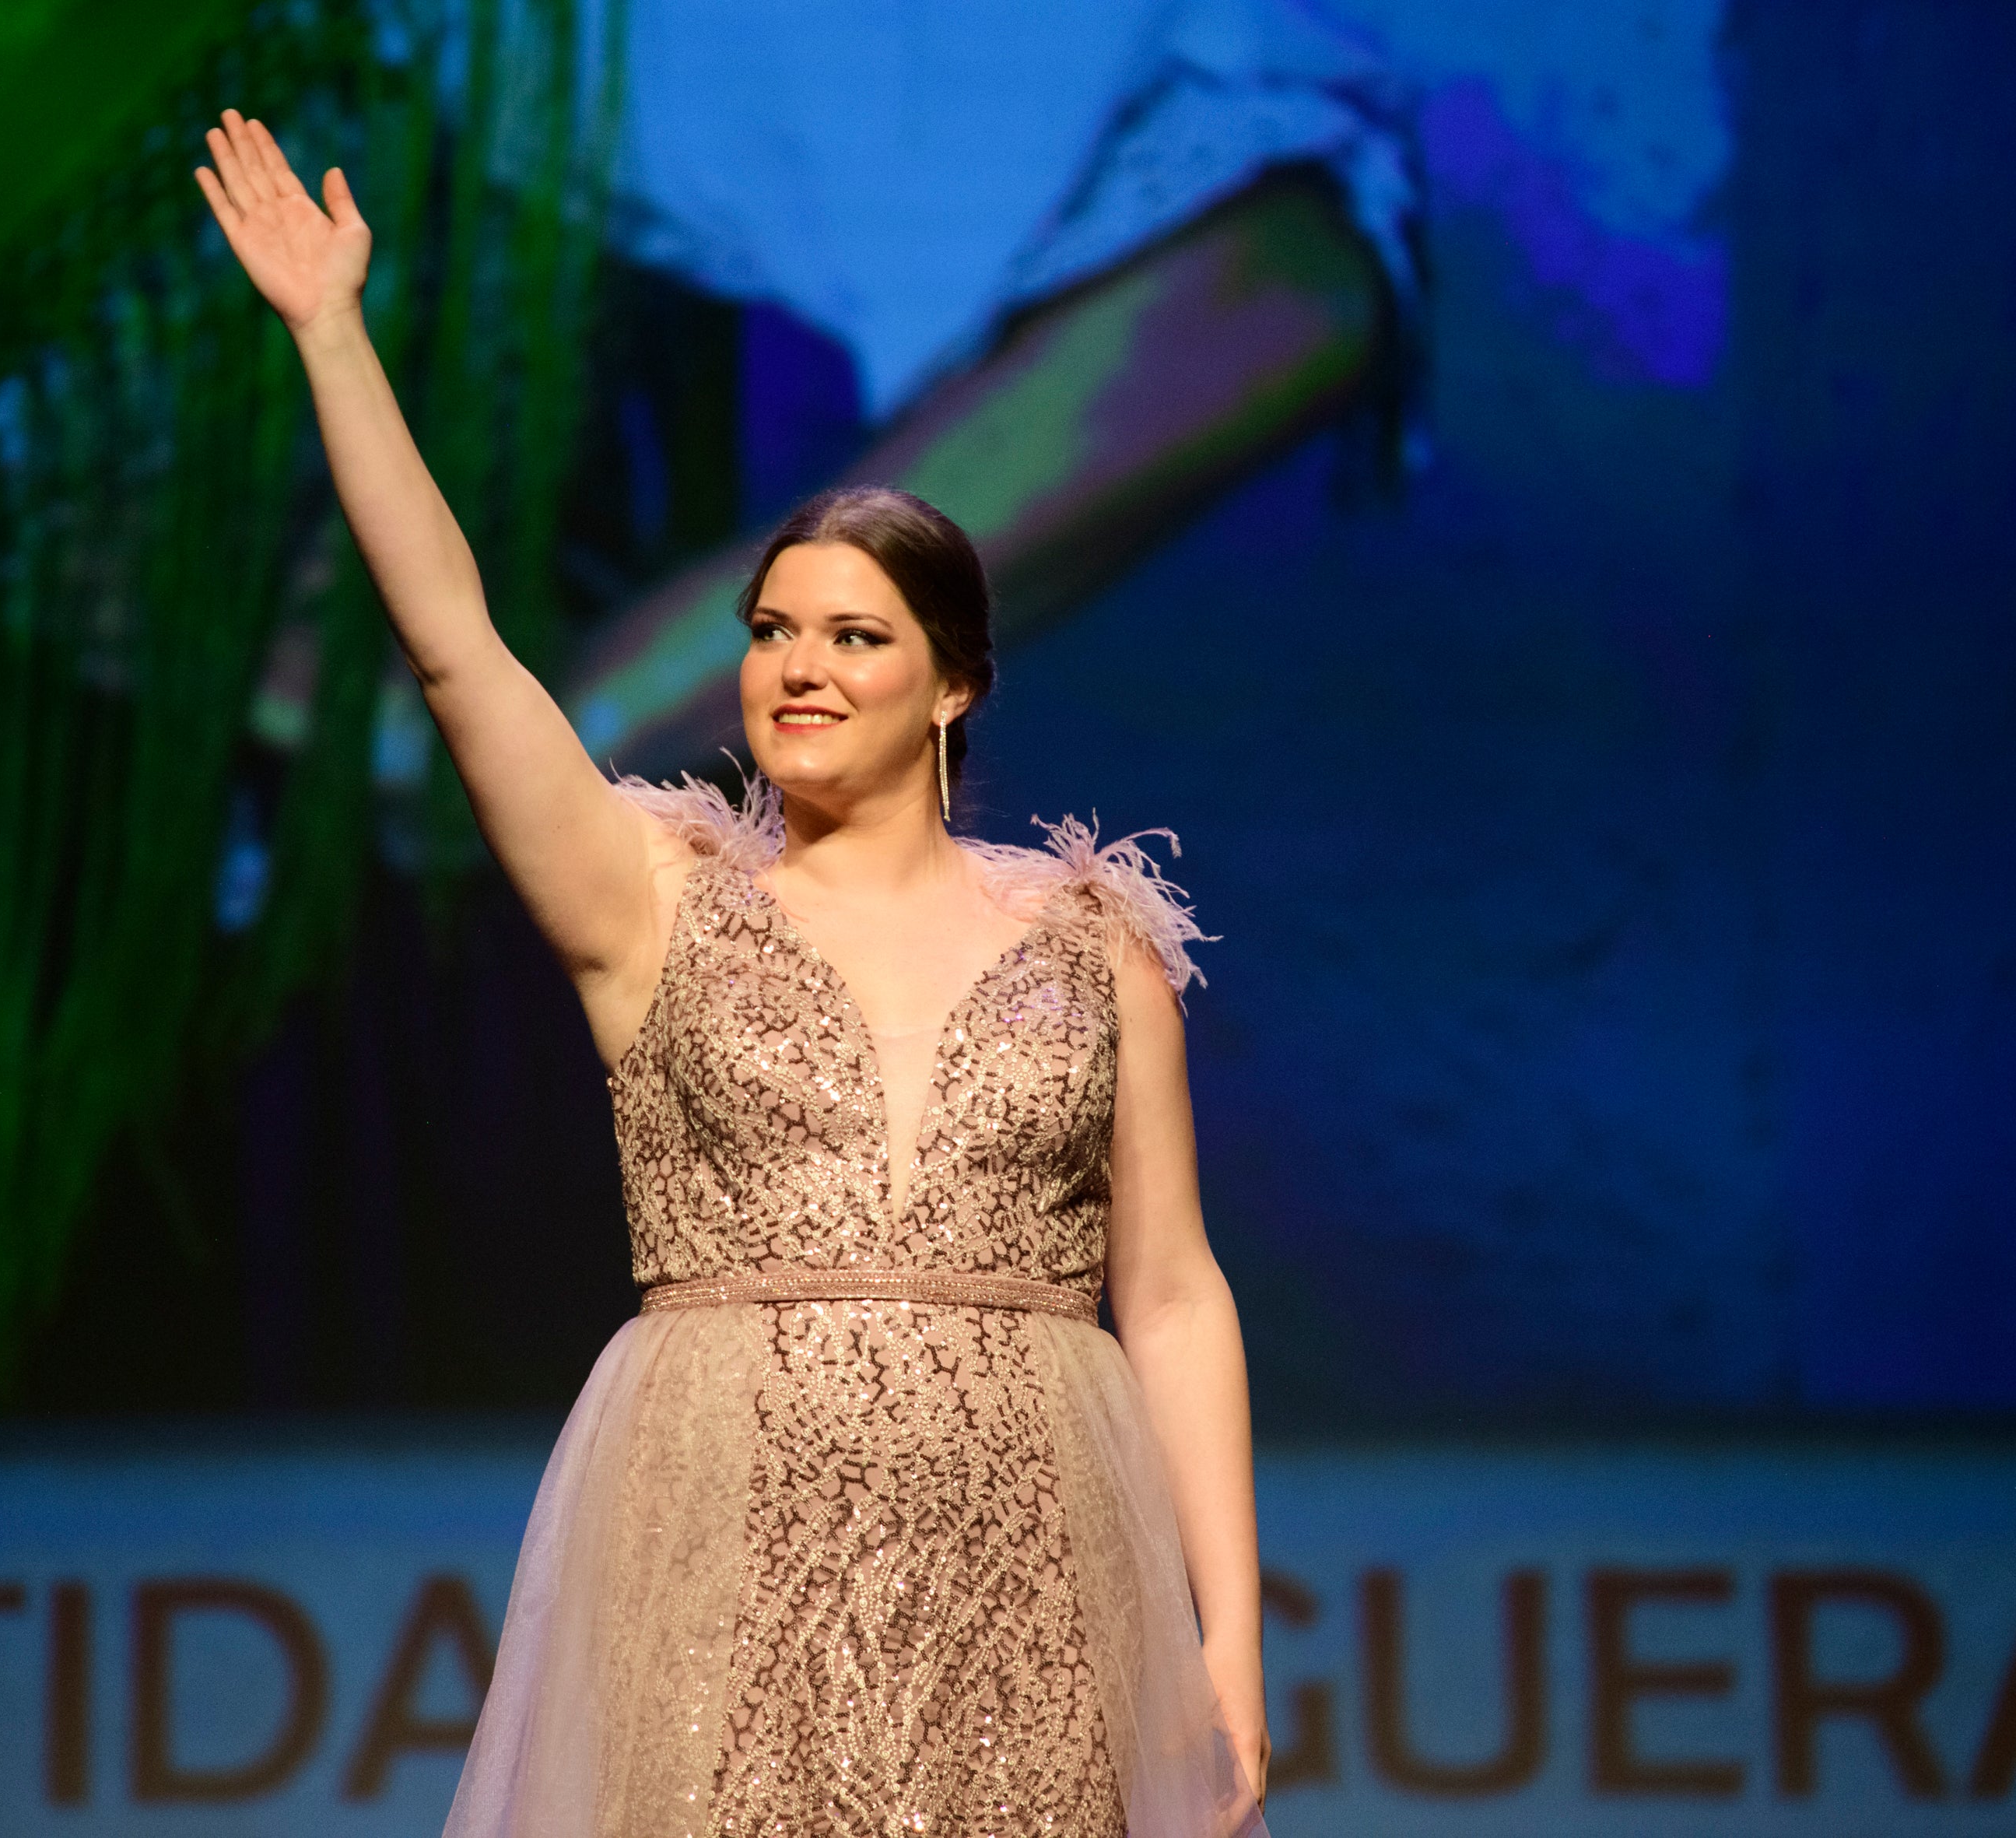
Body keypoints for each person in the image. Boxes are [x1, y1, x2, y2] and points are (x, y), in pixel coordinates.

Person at [197, 110, 1273, 1837]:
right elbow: (459, 652)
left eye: (854, 636)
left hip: (1032, 1550)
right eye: (771, 629)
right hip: (727, 1524)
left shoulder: (1089, 948)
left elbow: (1168, 1294)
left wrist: (1229, 1637)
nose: (795, 667)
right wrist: (333, 337)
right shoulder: (654, 900)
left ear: (952, 686)